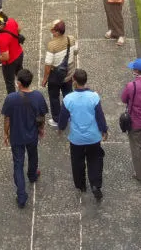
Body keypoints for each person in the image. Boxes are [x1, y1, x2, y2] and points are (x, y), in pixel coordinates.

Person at [58, 69, 108, 201]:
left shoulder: (68, 99)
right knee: (95, 160)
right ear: (86, 80)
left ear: (74, 81)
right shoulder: (94, 97)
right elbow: (100, 116)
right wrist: (104, 130)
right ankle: (96, 185)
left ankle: (81, 185)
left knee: (77, 162)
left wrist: (61, 128)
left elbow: (63, 118)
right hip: (93, 137)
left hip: (77, 139)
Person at [2, 68, 48, 208]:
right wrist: (41, 129)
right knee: (33, 155)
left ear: (19, 83)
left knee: (18, 164)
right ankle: (32, 175)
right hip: (32, 134)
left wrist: (6, 134)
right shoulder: (38, 97)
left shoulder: (11, 98)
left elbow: (7, 119)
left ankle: (21, 196)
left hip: (17, 136)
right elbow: (42, 115)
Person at [41, 19, 77, 127]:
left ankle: (57, 119)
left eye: (52, 29)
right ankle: (69, 114)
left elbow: (48, 64)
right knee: (68, 94)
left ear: (56, 32)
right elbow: (76, 52)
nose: (51, 30)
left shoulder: (52, 45)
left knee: (54, 97)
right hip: (69, 73)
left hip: (55, 77)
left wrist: (45, 79)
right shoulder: (71, 39)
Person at [0, 11, 24, 93]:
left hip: (10, 63)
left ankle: (13, 100)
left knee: (10, 83)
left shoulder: (1, 38)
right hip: (19, 54)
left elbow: (6, 57)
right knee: (20, 76)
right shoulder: (11, 20)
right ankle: (24, 92)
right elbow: (19, 29)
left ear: (1, 25)